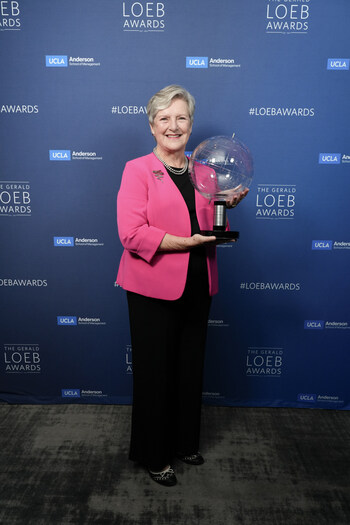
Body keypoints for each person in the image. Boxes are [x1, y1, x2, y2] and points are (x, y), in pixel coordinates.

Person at [116, 85, 248, 486]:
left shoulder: (203, 169)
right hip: (152, 288)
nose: (173, 126)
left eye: (181, 118)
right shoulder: (137, 169)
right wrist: (184, 243)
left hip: (197, 283)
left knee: (190, 368)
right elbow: (132, 234)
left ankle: (185, 441)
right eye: (164, 119)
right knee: (156, 372)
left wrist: (227, 205)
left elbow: (210, 225)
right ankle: (155, 455)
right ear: (152, 126)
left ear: (191, 124)